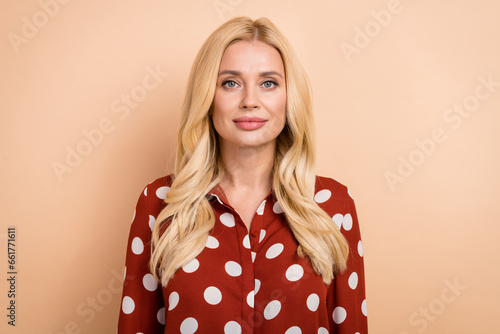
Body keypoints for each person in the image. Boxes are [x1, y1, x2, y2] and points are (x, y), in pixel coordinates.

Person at [117, 16, 368, 334]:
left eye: (268, 83)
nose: (250, 101)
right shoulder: (159, 203)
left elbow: (351, 327)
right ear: (208, 98)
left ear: (289, 98)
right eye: (230, 83)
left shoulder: (333, 205)